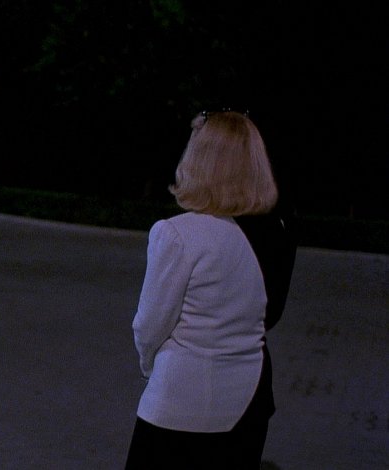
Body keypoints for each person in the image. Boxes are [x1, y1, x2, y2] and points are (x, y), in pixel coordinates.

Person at [124, 110, 297, 470]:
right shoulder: (278, 233)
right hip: (249, 401)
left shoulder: (176, 233)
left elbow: (150, 326)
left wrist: (149, 366)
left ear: (199, 161)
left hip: (180, 403)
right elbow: (271, 315)